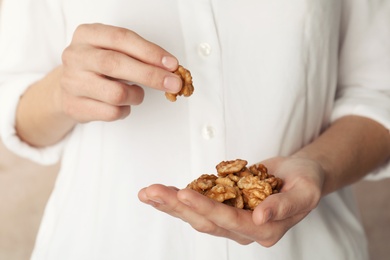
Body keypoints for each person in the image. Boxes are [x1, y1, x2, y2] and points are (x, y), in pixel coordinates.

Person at [0, 0, 390, 259]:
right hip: (106, 241)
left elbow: (378, 92)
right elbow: (16, 110)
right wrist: (60, 92)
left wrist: (318, 166)